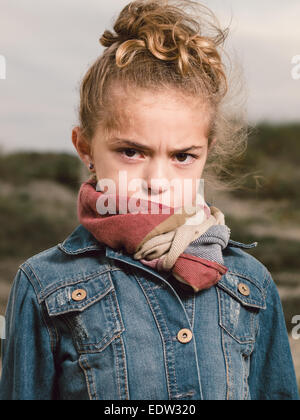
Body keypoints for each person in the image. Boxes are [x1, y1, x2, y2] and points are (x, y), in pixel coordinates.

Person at [0, 0, 299, 400]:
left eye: (182, 156)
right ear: (85, 147)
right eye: (131, 151)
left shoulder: (251, 284)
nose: (157, 181)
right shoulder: (43, 286)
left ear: (206, 153)